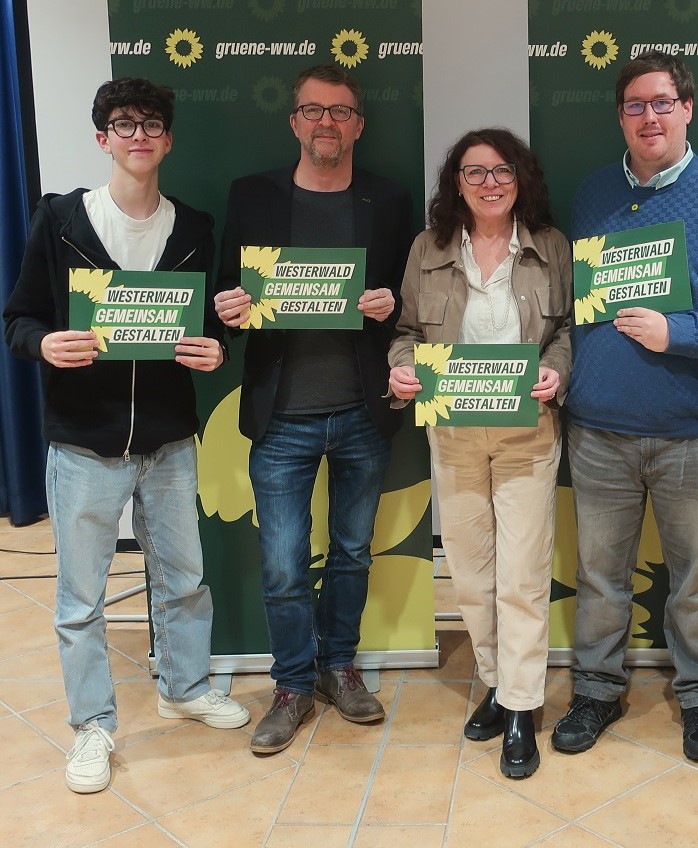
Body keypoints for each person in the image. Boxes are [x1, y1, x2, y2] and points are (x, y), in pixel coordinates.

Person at [2, 78, 249, 794]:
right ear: (102, 138)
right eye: (123, 123)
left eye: (151, 124)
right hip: (82, 442)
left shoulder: (196, 227)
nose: (138, 134)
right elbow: (18, 319)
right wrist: (46, 345)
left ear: (169, 140)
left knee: (185, 580)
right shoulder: (59, 221)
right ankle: (92, 727)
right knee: (80, 598)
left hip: (171, 440)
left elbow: (209, 326)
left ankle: (186, 686)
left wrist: (216, 349)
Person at [550, 50, 698, 764]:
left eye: (662, 102)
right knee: (598, 576)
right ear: (621, 116)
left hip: (693, 433)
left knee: (697, 580)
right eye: (635, 105)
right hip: (598, 430)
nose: (649, 116)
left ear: (688, 108)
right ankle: (596, 689)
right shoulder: (590, 196)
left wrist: (676, 331)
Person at [214, 64, 414, 754]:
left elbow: (407, 302)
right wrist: (230, 311)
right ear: (293, 120)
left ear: (357, 124)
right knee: (282, 563)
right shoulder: (251, 196)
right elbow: (225, 298)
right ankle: (293, 683)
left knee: (354, 553)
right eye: (312, 110)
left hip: (363, 409)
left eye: (340, 112)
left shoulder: (388, 200)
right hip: (281, 413)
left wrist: (391, 307)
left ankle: (339, 668)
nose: (326, 122)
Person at [388, 128, 571, 779]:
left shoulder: (550, 246)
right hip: (454, 433)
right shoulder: (428, 248)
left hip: (528, 432)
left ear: (521, 179)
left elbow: (567, 330)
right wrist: (402, 370)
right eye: (475, 173)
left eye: (501, 172)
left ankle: (522, 708)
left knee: (522, 574)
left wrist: (557, 372)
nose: (489, 183)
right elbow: (407, 332)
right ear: (455, 183)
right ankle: (496, 682)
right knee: (470, 574)